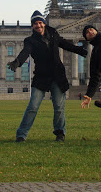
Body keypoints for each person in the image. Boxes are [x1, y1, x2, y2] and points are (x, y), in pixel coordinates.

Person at [8, 10, 87, 142]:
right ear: (32, 26)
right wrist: (18, 62)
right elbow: (25, 52)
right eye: (35, 24)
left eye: (40, 23)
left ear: (44, 23)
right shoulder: (30, 40)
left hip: (57, 76)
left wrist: (78, 49)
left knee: (59, 107)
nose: (38, 26)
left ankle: (60, 133)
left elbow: (64, 44)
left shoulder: (54, 34)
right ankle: (21, 134)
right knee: (33, 106)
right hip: (41, 76)